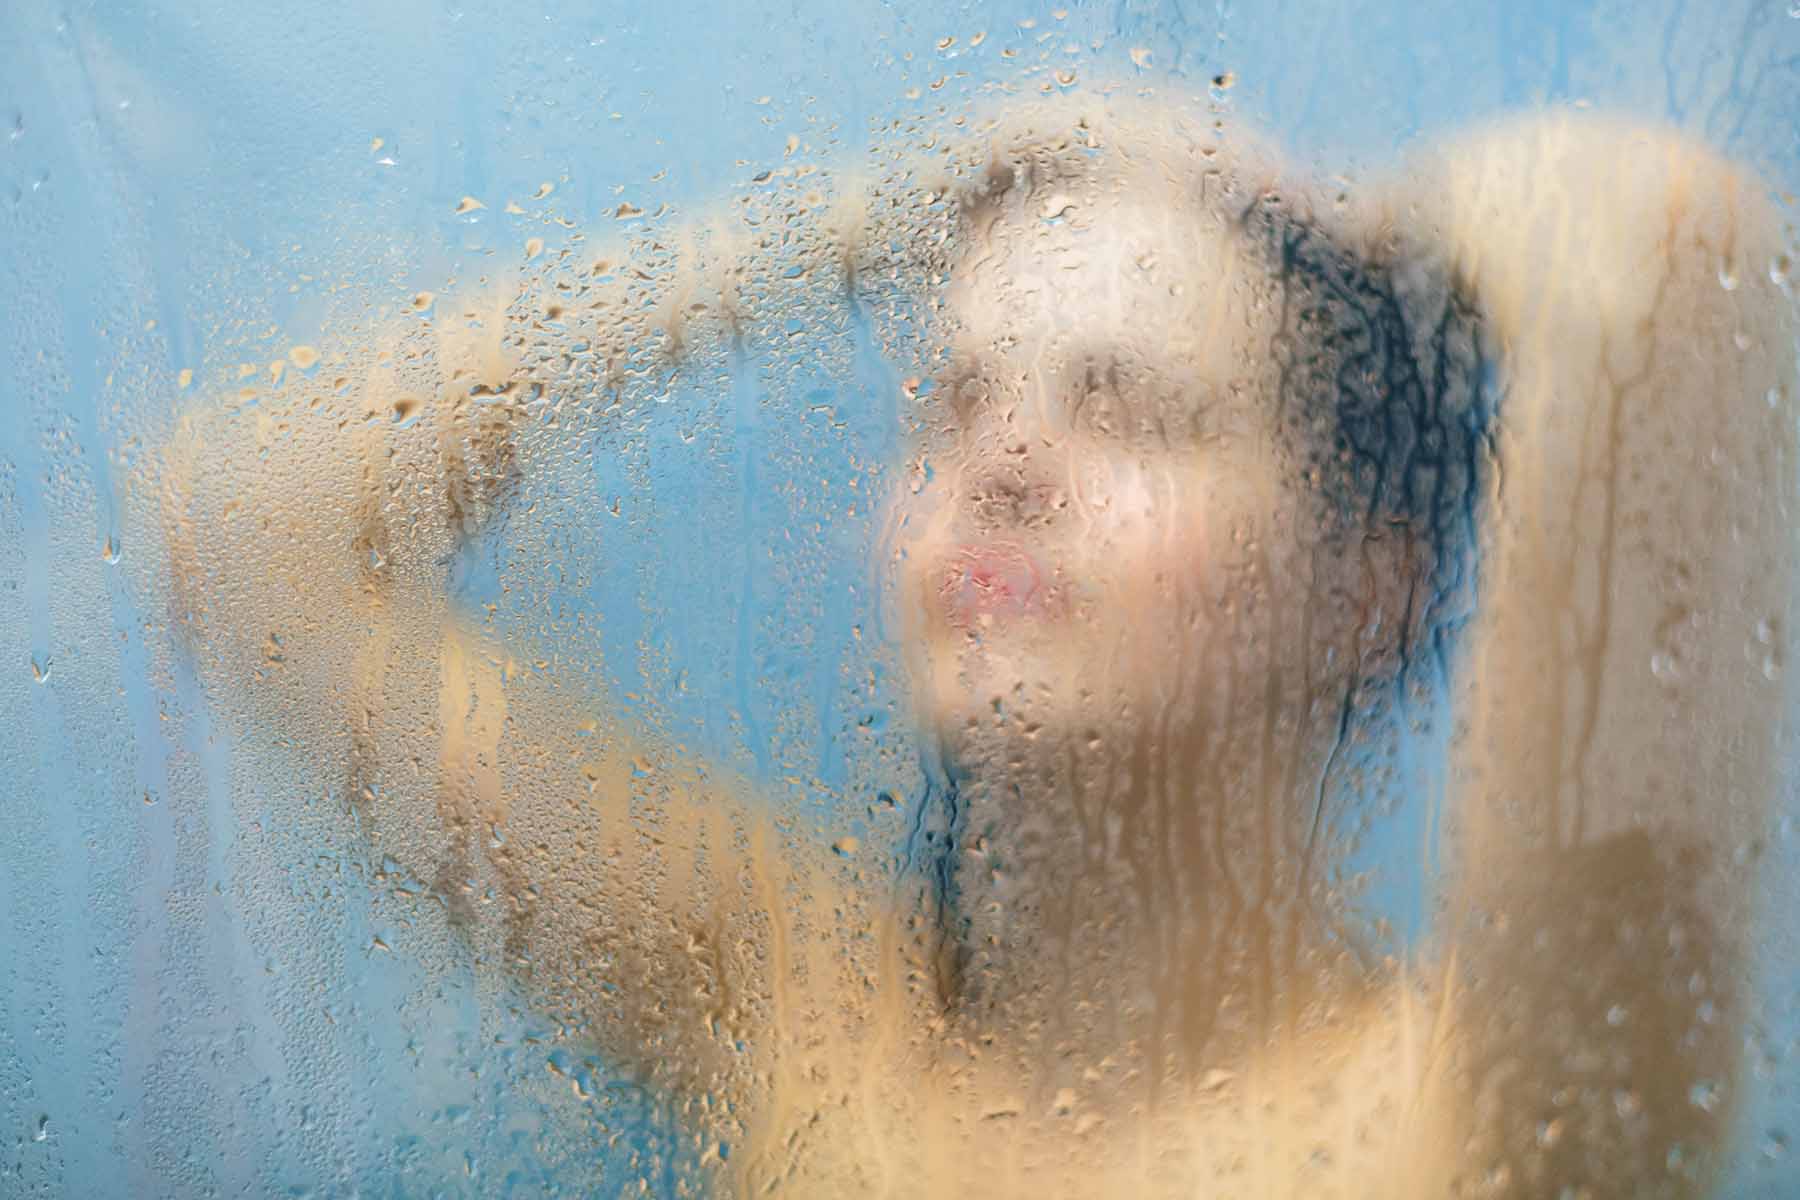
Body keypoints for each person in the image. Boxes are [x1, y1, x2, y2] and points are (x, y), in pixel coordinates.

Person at [153, 93, 1795, 1197]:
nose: (1004, 460)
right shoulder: (796, 1003)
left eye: (1133, 409)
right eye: (954, 399)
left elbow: (1677, 252)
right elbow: (240, 527)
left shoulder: (1487, 1104)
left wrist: (1375, 237)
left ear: (1363, 591)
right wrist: (873, 213)